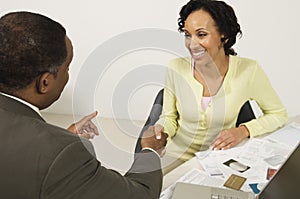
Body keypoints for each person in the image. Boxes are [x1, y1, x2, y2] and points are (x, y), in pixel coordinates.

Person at [0, 11, 168, 199]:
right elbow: (139, 195)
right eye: (67, 67)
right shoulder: (63, 153)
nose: (68, 75)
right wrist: (150, 150)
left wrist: (60, 137)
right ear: (45, 83)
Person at [155, 0, 288, 172]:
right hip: (175, 159)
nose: (192, 44)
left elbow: (278, 114)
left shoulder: (248, 71)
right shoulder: (176, 68)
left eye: (201, 35)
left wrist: (243, 130)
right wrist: (161, 129)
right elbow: (169, 117)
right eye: (188, 35)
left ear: (223, 35)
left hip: (218, 159)